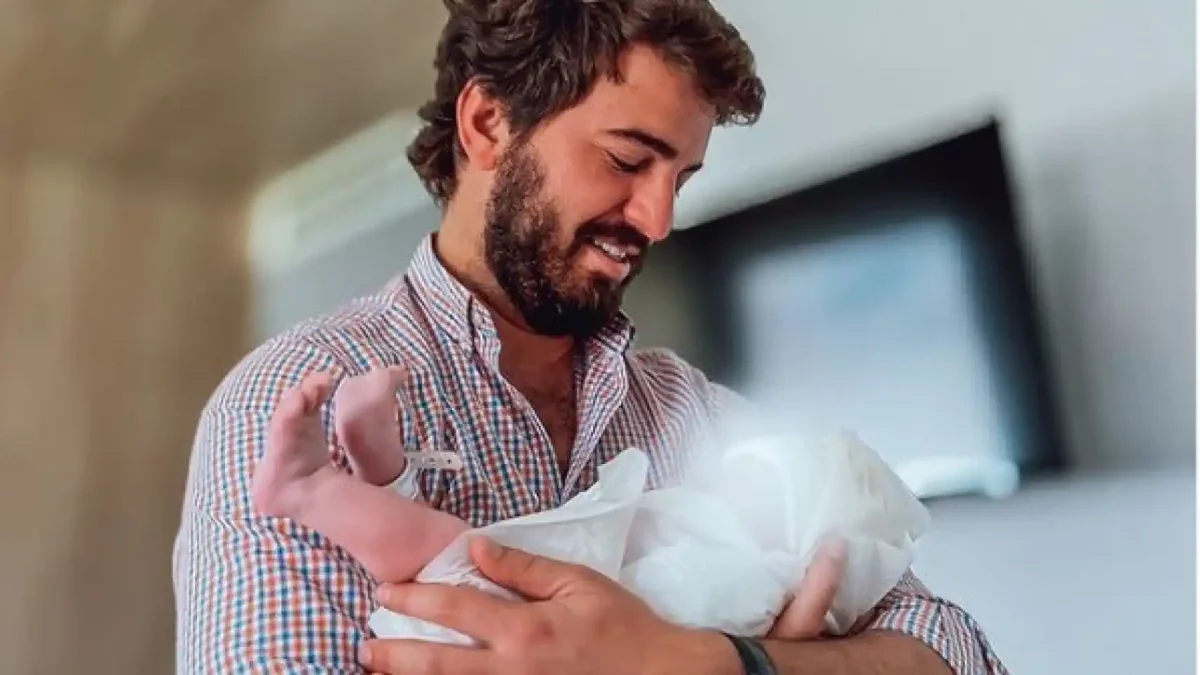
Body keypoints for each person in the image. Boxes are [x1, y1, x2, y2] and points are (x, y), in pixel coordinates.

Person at [172, 0, 1010, 673]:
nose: (660, 218)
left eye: (680, 178)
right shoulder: (291, 401)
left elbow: (961, 651)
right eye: (626, 159)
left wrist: (712, 664)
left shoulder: (689, 409)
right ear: (489, 122)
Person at [250, 365, 859, 642]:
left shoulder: (769, 579)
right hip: (555, 602)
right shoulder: (733, 532)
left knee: (454, 553)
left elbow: (947, 642)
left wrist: (757, 658)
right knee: (452, 548)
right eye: (622, 160)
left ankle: (307, 488)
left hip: (522, 634)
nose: (658, 217)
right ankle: (377, 464)